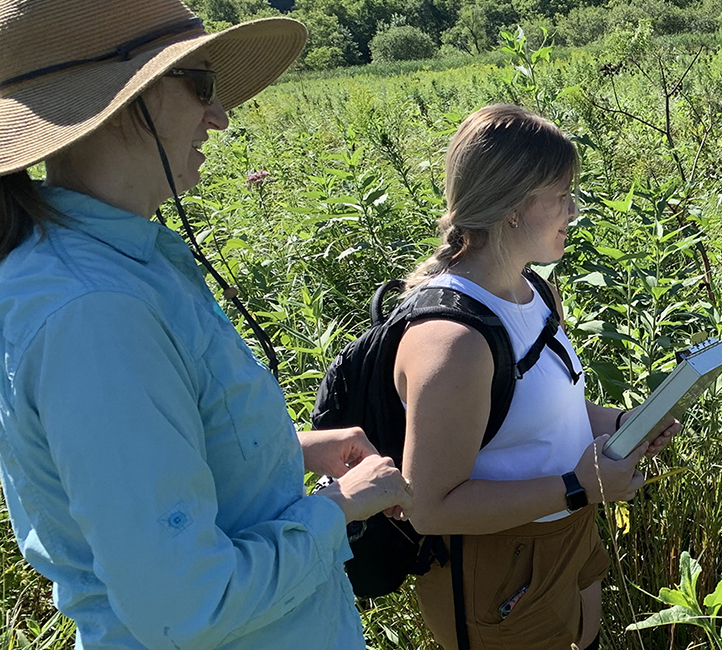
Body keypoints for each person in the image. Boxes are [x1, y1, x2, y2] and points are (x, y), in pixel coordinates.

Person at [0, 2, 411, 648]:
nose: (218, 116)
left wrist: (293, 452)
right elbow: (186, 603)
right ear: (121, 101)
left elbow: (158, 457)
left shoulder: (124, 264)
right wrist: (338, 506)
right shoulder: (96, 313)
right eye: (199, 85)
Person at [395, 104, 678, 650]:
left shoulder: (537, 293)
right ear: (512, 209)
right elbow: (429, 507)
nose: (574, 209)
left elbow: (549, 412)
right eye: (561, 194)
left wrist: (626, 423)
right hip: (499, 566)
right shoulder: (452, 340)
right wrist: (578, 486)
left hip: (566, 533)